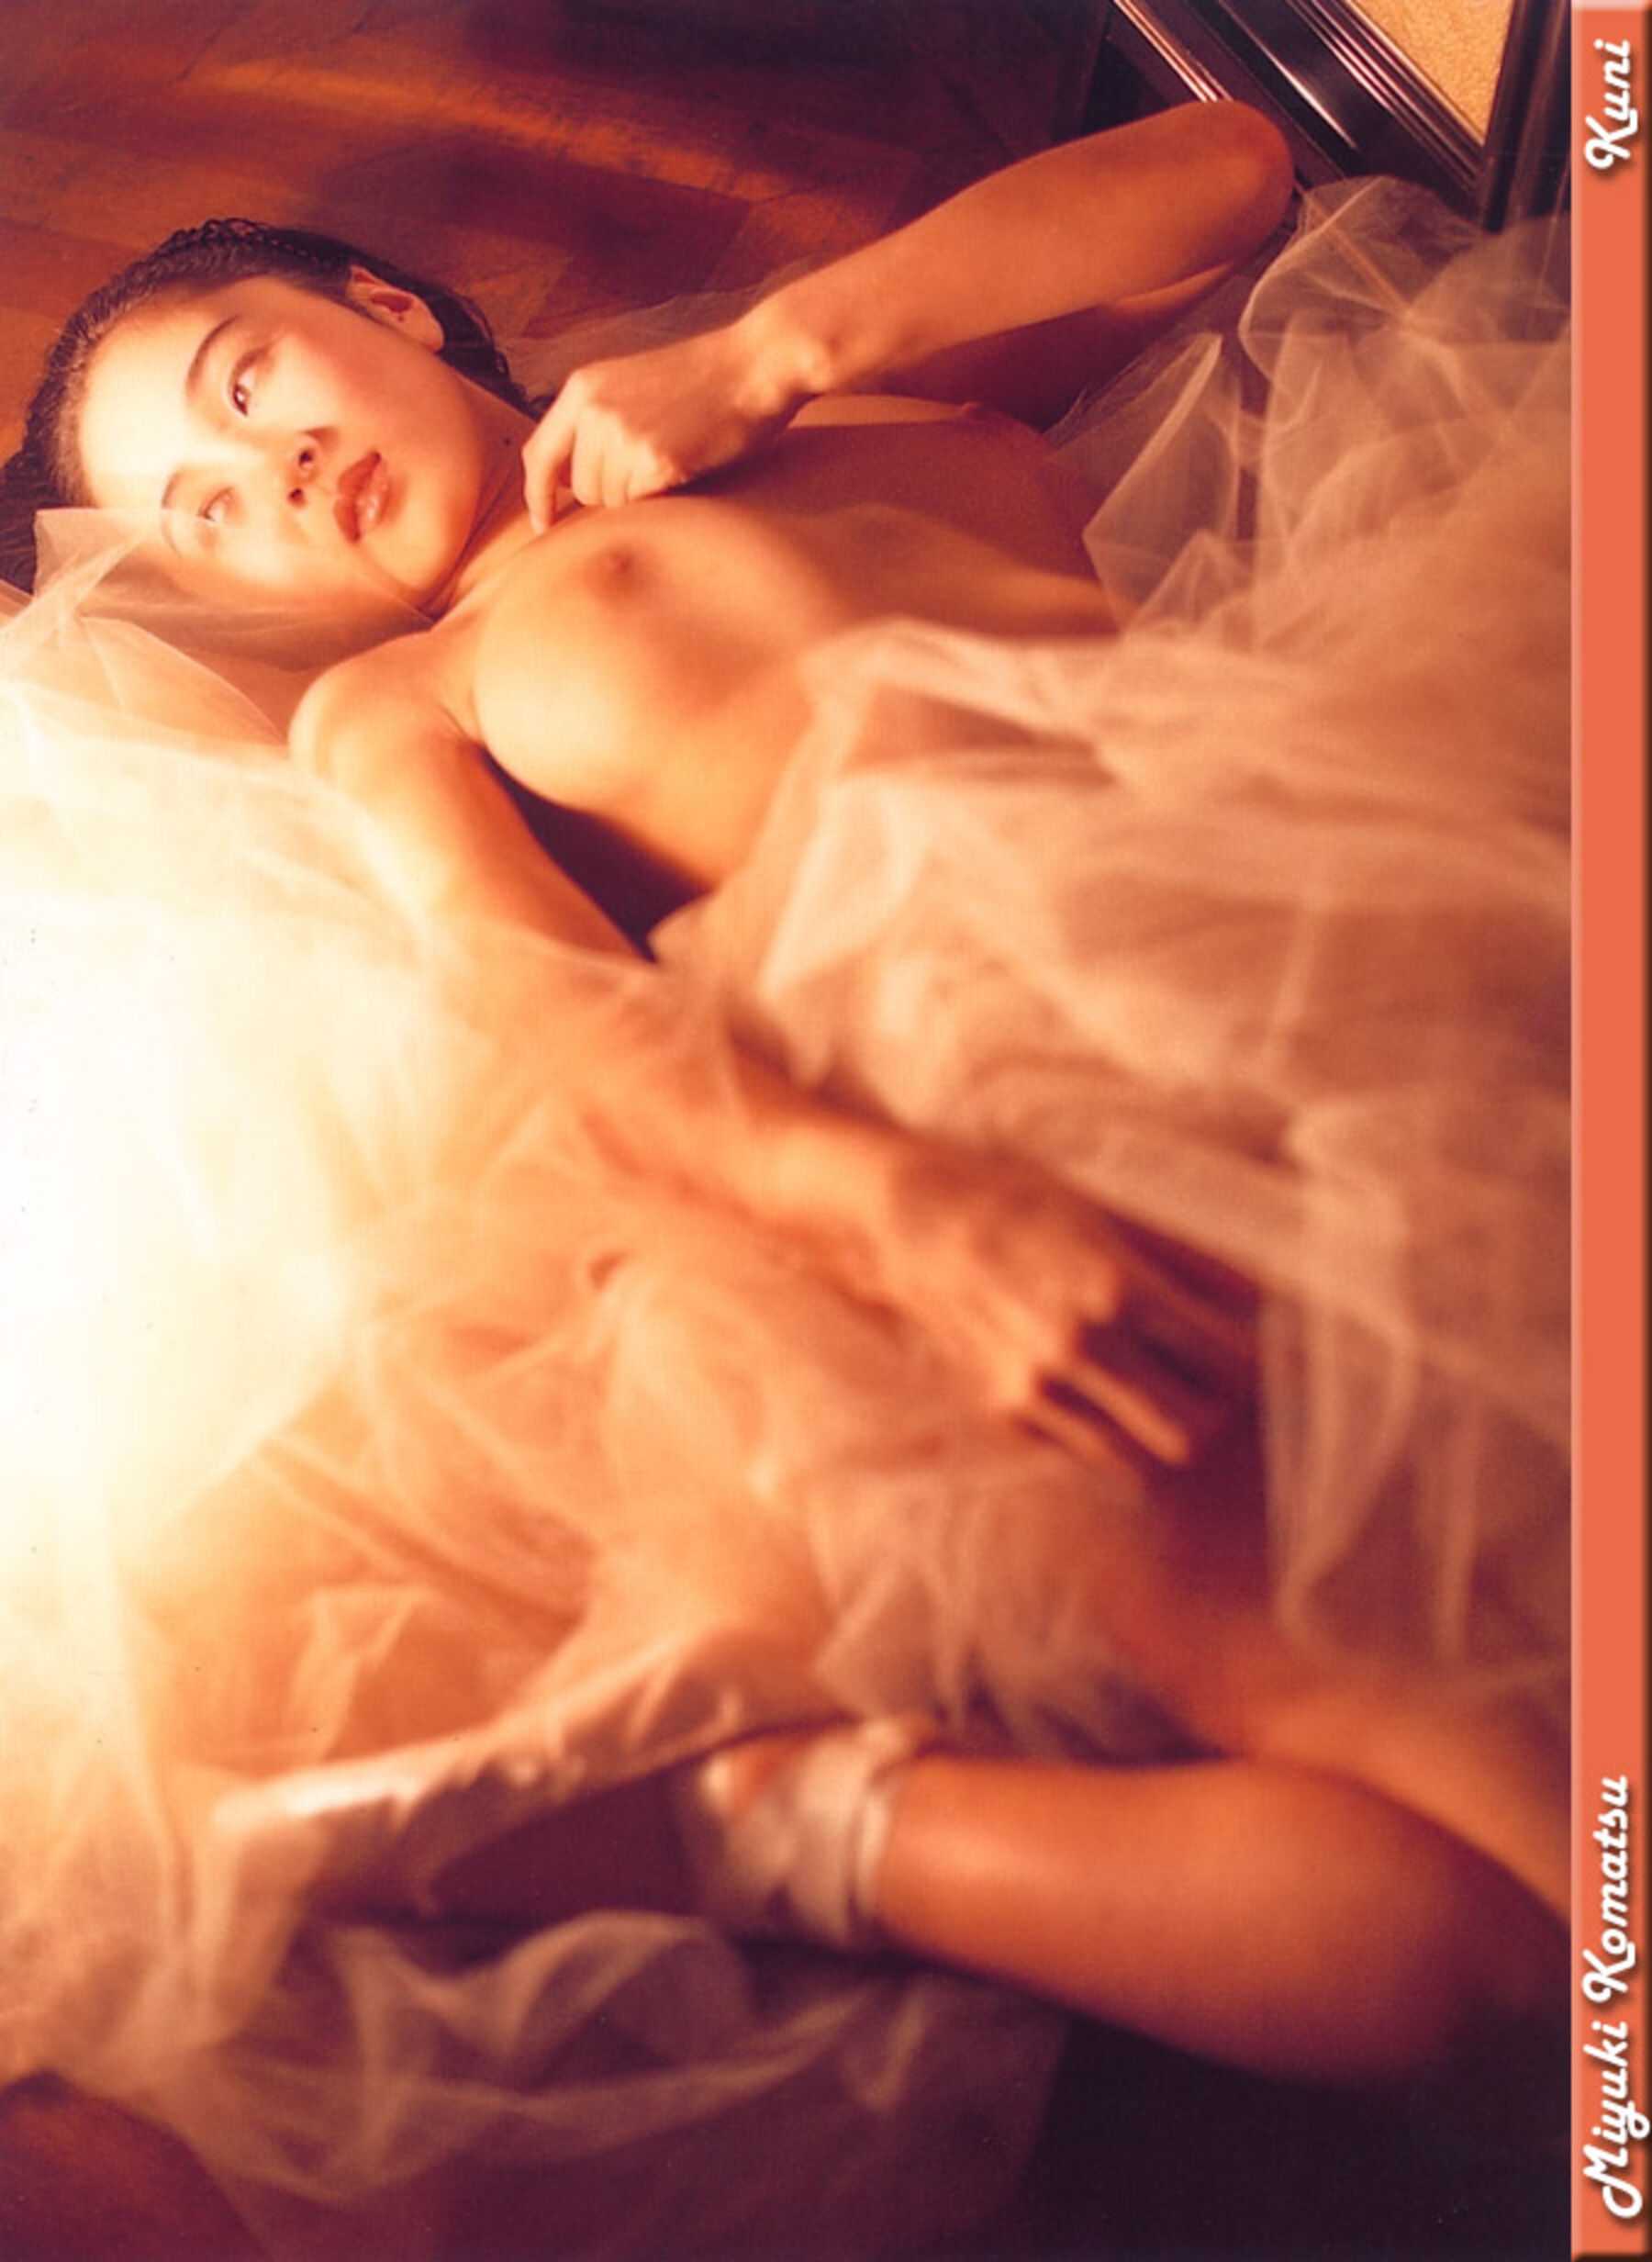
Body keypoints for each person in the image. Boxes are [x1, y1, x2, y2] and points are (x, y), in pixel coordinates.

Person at [0, 97, 1568, 2256]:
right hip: (996, 1123)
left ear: (383, 306)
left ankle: (761, 1814)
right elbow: (559, 1010)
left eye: (247, 382)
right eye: (203, 513)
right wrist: (904, 1208)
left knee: (1518, 1908)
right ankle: (772, 1824)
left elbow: (1225, 177)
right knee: (1547, 1876)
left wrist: (776, 350)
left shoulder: (806, 392)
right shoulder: (395, 698)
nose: (266, 473)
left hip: (1353, 943)